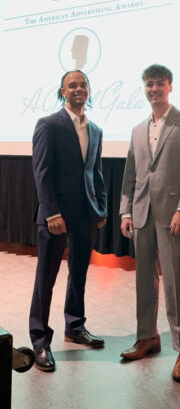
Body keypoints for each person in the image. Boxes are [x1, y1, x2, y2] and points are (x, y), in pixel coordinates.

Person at [120, 64, 180, 381]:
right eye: (149, 84)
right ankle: (147, 337)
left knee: (175, 282)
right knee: (145, 280)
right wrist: (125, 211)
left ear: (170, 86)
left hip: (173, 216)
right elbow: (131, 176)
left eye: (160, 83)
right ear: (144, 88)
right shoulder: (136, 129)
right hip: (141, 214)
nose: (154, 89)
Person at [29, 70, 108, 372]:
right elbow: (42, 173)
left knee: (79, 274)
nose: (79, 88)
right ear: (62, 91)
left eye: (83, 84)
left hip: (86, 214)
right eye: (72, 85)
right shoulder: (49, 125)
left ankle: (74, 326)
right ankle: (39, 340)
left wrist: (99, 211)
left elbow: (96, 174)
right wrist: (51, 213)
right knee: (45, 279)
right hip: (56, 216)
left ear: (89, 91)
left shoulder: (96, 130)